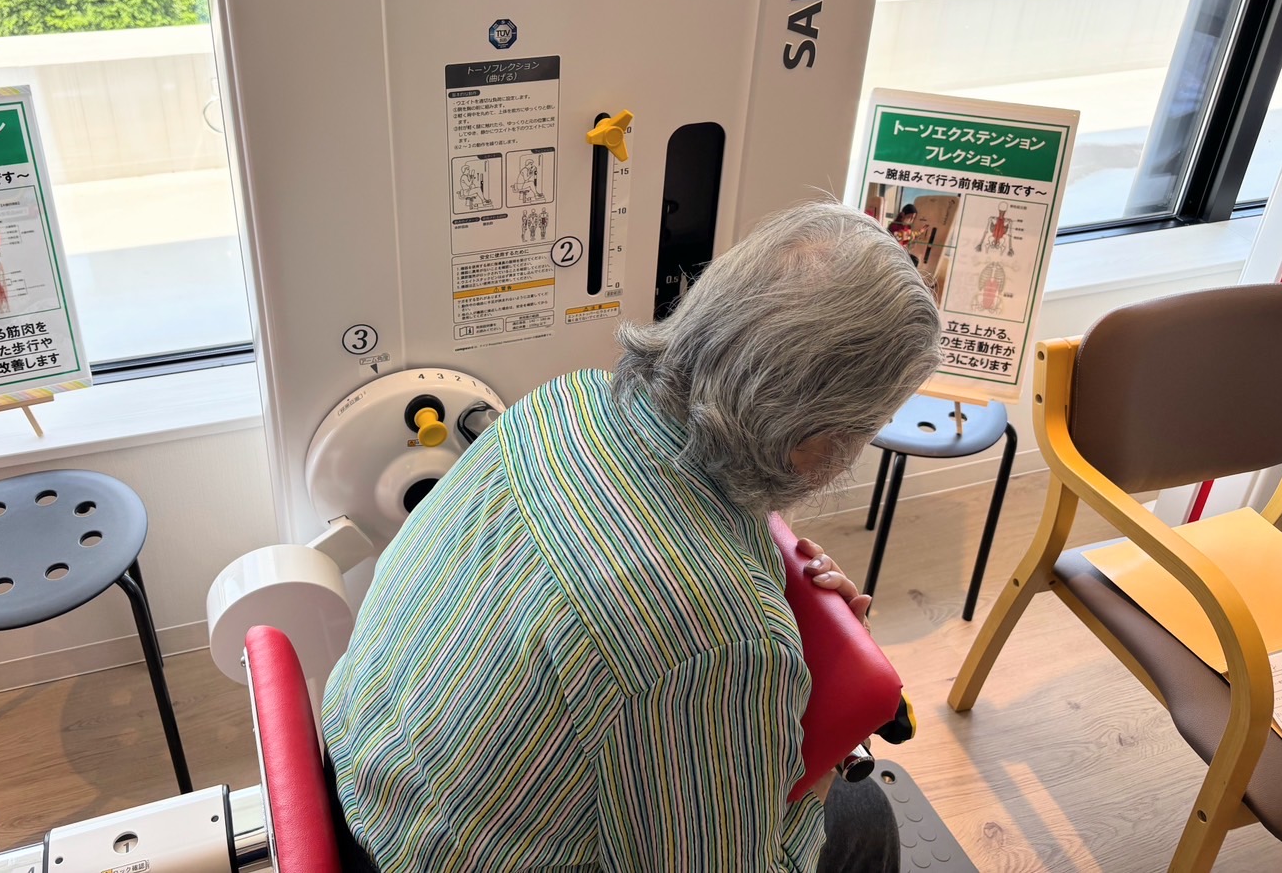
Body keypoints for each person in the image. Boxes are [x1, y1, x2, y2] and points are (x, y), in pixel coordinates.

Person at [323, 202, 941, 872]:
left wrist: (770, 609)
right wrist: (829, 756)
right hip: (412, 857)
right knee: (862, 817)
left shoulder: (564, 402)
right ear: (822, 437)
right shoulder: (716, 638)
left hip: (355, 771)